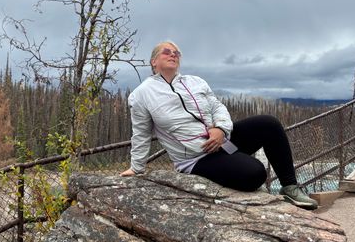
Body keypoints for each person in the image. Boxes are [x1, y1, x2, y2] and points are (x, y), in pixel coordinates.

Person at [120, 40, 318, 210]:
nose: (173, 55)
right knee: (255, 173)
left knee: (269, 124)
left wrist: (221, 129)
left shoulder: (195, 82)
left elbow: (217, 107)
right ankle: (235, 164)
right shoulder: (141, 95)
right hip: (198, 158)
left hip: (223, 140)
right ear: (154, 61)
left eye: (176, 53)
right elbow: (141, 134)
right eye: (167, 52)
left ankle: (290, 187)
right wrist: (136, 168)